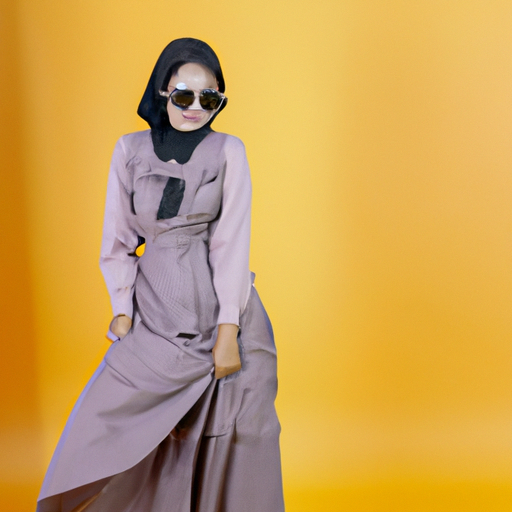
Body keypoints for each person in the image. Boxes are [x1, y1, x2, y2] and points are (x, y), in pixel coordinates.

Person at [36, 38, 284, 512]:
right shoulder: (129, 150)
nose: (195, 108)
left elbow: (231, 243)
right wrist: (122, 309)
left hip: (218, 313)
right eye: (184, 95)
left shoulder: (229, 151)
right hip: (153, 313)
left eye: (209, 99)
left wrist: (228, 330)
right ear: (163, 91)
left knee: (225, 429)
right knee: (109, 421)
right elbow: (117, 240)